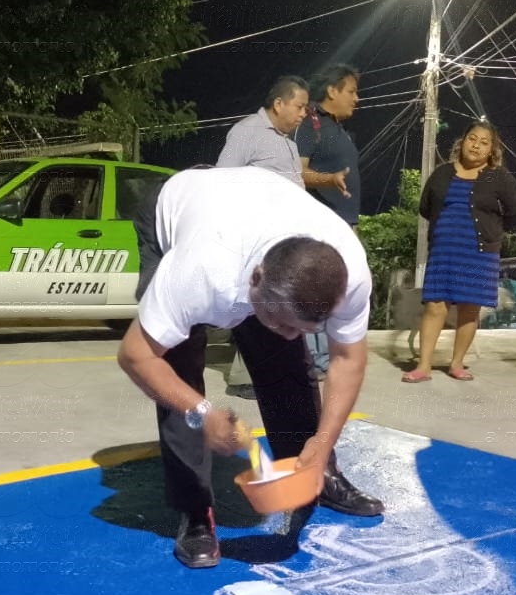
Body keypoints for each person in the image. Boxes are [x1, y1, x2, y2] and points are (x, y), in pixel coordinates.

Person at [117, 165, 385, 570]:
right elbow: (136, 355)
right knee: (177, 368)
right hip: (177, 212)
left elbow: (348, 360)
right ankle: (195, 511)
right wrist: (201, 411)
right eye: (280, 319)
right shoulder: (200, 272)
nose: (289, 333)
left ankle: (315, 472)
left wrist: (323, 441)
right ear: (257, 278)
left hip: (253, 217)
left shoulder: (349, 275)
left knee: (285, 357)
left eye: (302, 328)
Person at [403, 120, 516, 383]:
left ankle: (457, 364)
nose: (476, 145)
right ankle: (423, 366)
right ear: (462, 141)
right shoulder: (442, 173)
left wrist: (493, 230)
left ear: (492, 150)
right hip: (444, 251)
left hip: (479, 253)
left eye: (484, 143)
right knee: (435, 306)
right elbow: (426, 207)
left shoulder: (499, 177)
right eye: (472, 138)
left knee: (469, 309)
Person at [215, 76, 310, 396]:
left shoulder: (289, 143)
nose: (303, 114)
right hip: (255, 235)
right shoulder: (247, 132)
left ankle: (274, 368)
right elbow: (223, 180)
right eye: (299, 106)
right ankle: (244, 378)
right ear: (279, 103)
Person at [296, 63, 362, 380]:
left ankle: (326, 355)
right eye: (351, 91)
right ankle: (315, 359)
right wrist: (329, 179)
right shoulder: (311, 125)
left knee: (334, 290)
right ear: (332, 91)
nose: (356, 98)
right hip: (319, 223)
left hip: (343, 224)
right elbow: (297, 172)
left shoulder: (338, 130)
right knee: (316, 289)